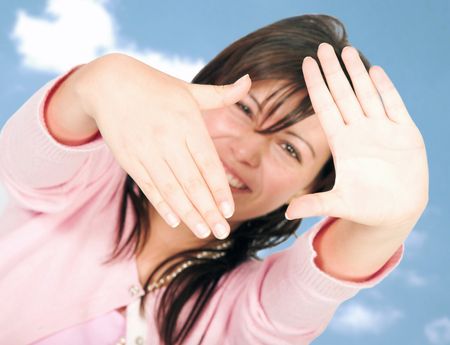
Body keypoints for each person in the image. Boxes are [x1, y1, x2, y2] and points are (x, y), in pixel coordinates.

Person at [0, 13, 428, 345]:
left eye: (290, 148)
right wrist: (101, 79)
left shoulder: (247, 308)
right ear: (203, 91)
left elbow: (319, 284)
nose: (246, 151)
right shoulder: (82, 178)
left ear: (309, 188)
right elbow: (33, 152)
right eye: (244, 109)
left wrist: (390, 223)